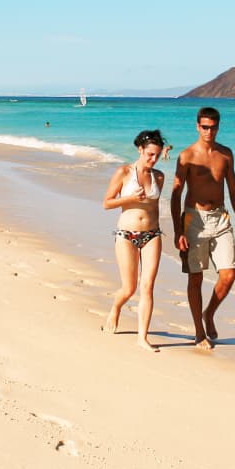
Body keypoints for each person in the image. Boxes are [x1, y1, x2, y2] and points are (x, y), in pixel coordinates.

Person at [170, 106, 235, 348]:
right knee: (196, 277)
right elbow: (175, 193)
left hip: (221, 218)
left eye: (213, 127)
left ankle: (209, 312)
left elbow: (234, 189)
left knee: (229, 274)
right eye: (204, 127)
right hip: (195, 220)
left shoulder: (225, 154)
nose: (209, 131)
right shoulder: (187, 156)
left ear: (218, 127)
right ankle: (199, 332)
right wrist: (178, 230)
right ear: (197, 126)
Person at [102, 129, 167, 352]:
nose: (153, 159)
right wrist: (130, 198)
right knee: (129, 289)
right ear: (140, 150)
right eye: (150, 154)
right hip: (126, 235)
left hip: (152, 235)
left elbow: (155, 207)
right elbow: (107, 203)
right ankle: (115, 308)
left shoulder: (159, 176)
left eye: (157, 155)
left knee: (147, 286)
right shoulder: (124, 172)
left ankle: (142, 338)